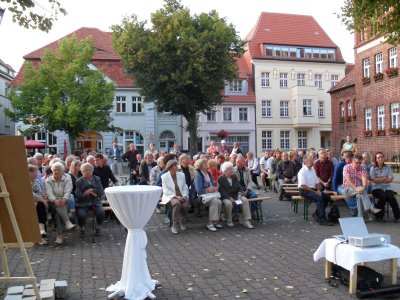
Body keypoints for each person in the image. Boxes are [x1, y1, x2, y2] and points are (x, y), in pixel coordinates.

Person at [45, 162, 75, 244]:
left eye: (59, 170)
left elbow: (68, 190)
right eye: (55, 170)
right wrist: (55, 200)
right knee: (59, 207)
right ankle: (67, 222)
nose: (57, 172)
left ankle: (60, 236)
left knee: (59, 213)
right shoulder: (48, 181)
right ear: (52, 171)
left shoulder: (67, 179)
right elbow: (49, 193)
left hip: (65, 202)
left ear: (62, 171)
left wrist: (64, 199)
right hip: (52, 203)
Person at [297, 157, 333, 226]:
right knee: (319, 198)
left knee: (327, 197)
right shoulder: (302, 171)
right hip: (304, 190)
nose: (313, 161)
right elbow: (303, 186)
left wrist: (319, 190)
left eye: (312, 160)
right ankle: (322, 219)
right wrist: (315, 192)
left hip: (312, 189)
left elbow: (316, 182)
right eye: (311, 160)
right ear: (306, 162)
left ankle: (317, 214)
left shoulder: (312, 169)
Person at [218, 162, 254, 229]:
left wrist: (239, 195)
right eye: (230, 169)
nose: (232, 170)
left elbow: (239, 187)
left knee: (244, 200)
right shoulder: (221, 179)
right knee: (228, 204)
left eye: (232, 168)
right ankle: (229, 220)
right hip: (226, 197)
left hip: (236, 197)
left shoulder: (234, 177)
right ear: (225, 170)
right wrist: (229, 198)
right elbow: (221, 191)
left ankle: (246, 220)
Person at [75, 163, 105, 237]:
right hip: (82, 202)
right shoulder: (79, 181)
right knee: (81, 214)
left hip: (95, 201)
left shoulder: (97, 179)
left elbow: (101, 191)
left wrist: (92, 190)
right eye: (85, 170)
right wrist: (85, 194)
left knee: (101, 212)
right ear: (81, 172)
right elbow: (78, 194)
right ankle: (82, 228)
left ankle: (98, 227)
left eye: (89, 170)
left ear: (92, 171)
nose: (87, 172)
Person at [161, 160, 189, 234]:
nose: (177, 167)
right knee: (177, 204)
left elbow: (185, 187)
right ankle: (174, 225)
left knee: (186, 205)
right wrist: (176, 197)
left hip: (182, 195)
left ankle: (182, 221)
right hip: (170, 196)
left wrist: (185, 196)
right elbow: (165, 190)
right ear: (170, 167)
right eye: (176, 165)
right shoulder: (164, 176)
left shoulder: (181, 175)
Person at [194, 158, 223, 231]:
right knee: (215, 201)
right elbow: (199, 190)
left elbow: (212, 184)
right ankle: (210, 223)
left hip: (210, 195)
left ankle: (215, 222)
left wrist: (215, 187)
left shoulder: (208, 173)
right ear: (200, 166)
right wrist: (208, 190)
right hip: (201, 197)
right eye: (204, 163)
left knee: (219, 201)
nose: (207, 164)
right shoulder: (198, 175)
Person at [370, 152, 400, 222]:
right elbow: (374, 180)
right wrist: (385, 178)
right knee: (383, 196)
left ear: (383, 158)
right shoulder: (373, 168)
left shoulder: (388, 167)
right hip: (376, 188)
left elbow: (390, 179)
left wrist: (379, 179)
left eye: (381, 157)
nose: (380, 159)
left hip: (387, 187)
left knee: (391, 196)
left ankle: (397, 216)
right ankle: (379, 216)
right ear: (376, 159)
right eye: (378, 157)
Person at [332, 151, 358, 216]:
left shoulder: (353, 164)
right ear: (348, 158)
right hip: (340, 185)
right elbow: (335, 178)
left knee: (355, 193)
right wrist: (334, 190)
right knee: (346, 193)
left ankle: (355, 210)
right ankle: (354, 208)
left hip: (351, 185)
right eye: (351, 159)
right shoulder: (340, 165)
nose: (352, 160)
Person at [29, 164, 48, 240]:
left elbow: (39, 193)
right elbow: (30, 194)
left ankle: (41, 231)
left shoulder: (36, 181)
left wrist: (40, 200)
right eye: (35, 172)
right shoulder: (24, 182)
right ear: (28, 173)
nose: (36, 174)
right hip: (27, 203)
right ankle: (41, 229)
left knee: (39, 205)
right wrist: (42, 200)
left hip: (36, 202)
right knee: (40, 205)